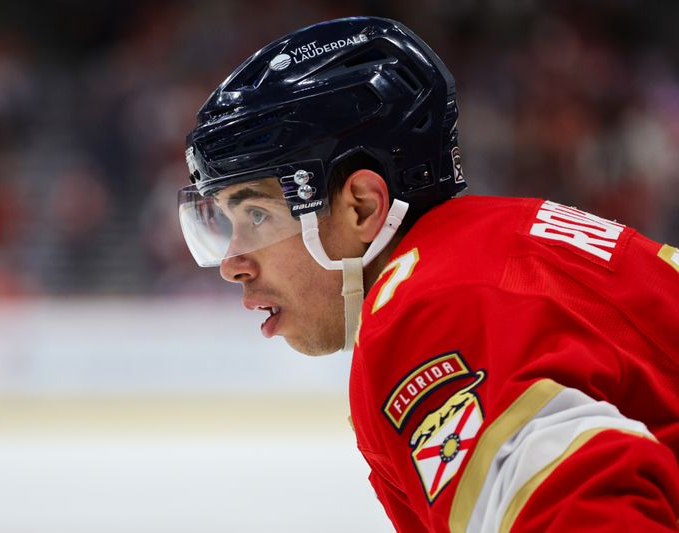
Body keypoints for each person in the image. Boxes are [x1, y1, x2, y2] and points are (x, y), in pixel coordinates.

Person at [177, 16, 679, 532]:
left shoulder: (426, 311)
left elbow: (592, 512)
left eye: (256, 215)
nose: (233, 263)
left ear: (361, 208)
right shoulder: (496, 241)